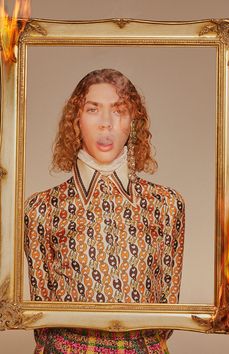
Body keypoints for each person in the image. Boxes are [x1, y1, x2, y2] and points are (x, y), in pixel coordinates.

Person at [24, 68, 185, 353]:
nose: (106, 124)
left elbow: (166, 313)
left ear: (134, 121)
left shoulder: (166, 205)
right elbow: (42, 319)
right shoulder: (42, 209)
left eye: (119, 110)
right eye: (93, 110)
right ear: (76, 121)